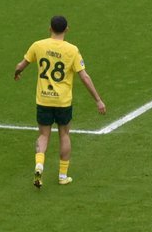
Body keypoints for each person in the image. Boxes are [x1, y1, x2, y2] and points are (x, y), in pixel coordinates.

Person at [13, 15, 106, 187]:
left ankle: (39, 165)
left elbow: (20, 65)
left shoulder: (38, 45)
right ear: (67, 29)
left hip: (43, 100)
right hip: (63, 101)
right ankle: (63, 176)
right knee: (64, 134)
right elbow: (84, 77)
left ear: (50, 28)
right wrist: (98, 100)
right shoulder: (72, 50)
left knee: (43, 135)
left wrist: (17, 73)